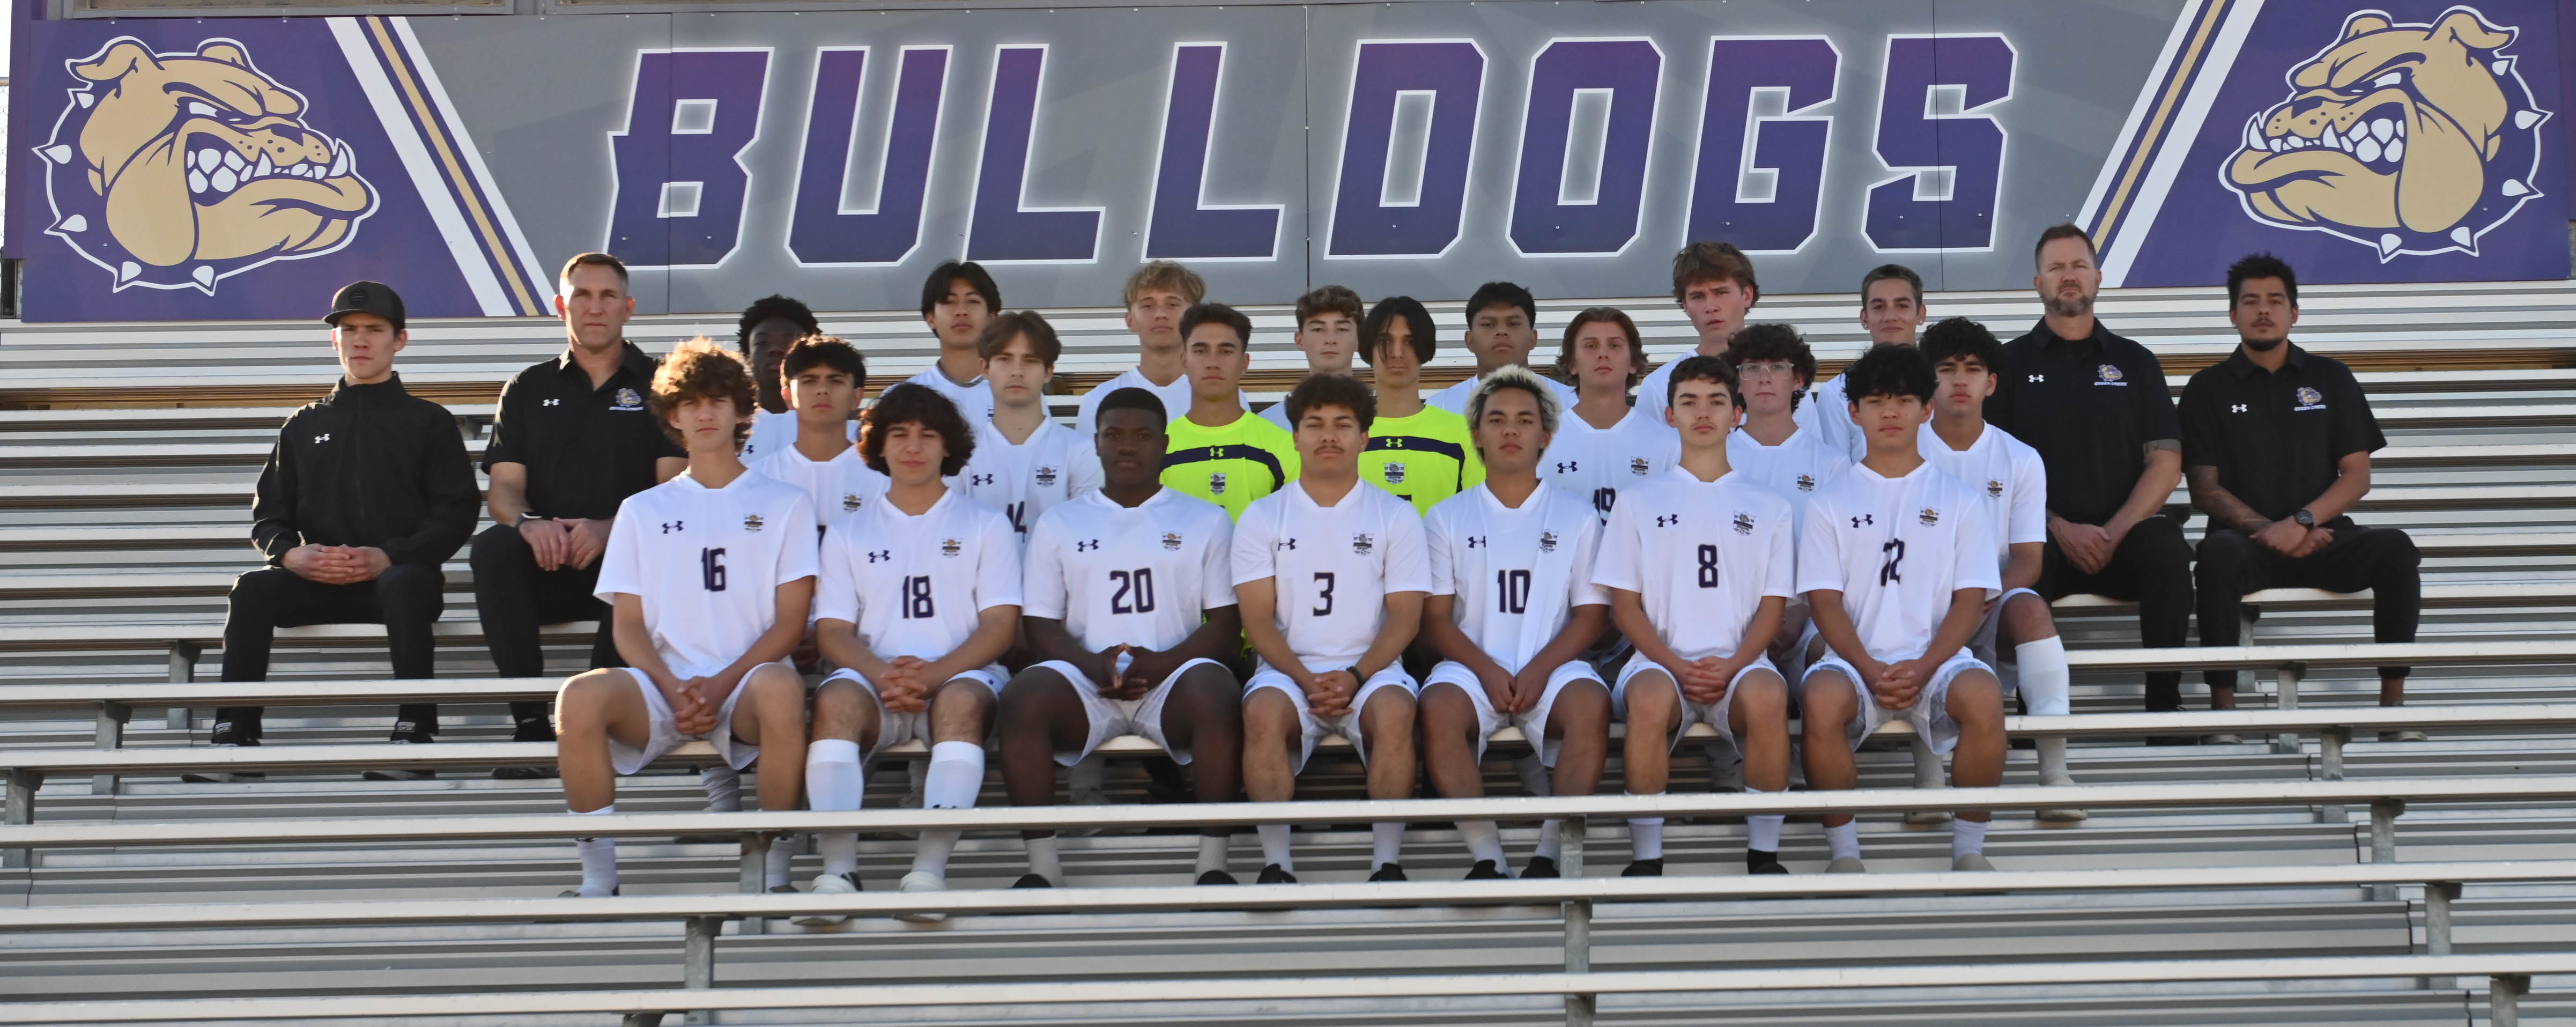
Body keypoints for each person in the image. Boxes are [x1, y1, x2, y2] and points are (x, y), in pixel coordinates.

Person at [550, 339, 817, 898]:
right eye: (691, 403)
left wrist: (720, 685)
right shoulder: (642, 509)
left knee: (781, 687)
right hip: (664, 688)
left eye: (717, 400)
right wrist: (673, 688)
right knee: (578, 697)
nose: (705, 413)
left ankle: (774, 873)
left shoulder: (785, 502)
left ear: (742, 410)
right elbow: (627, 625)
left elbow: (791, 622)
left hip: (745, 687)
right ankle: (598, 879)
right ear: (673, 415)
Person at [192, 282, 479, 784]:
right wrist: (290, 556)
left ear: (400, 340)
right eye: (348, 330)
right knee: (251, 588)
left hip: (398, 582)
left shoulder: (430, 422)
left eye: (374, 329)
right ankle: (235, 735)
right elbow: (268, 516)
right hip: (318, 584)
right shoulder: (303, 425)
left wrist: (390, 555)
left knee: (406, 582)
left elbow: (456, 514)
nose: (360, 340)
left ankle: (415, 733)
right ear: (335, 340)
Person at [997, 387, 1246, 887]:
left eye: (1143, 435)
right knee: (1022, 698)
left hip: (1172, 681)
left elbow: (1224, 623)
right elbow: (1039, 623)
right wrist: (1094, 665)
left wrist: (1162, 663)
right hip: (1088, 681)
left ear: (1165, 444)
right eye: (1114, 434)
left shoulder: (1206, 518)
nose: (1127, 445)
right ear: (1096, 442)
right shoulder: (1061, 521)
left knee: (1217, 691)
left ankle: (1213, 863)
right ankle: (1042, 869)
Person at [802, 385, 1021, 922]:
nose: (914, 447)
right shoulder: (849, 532)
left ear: (949, 446)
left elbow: (1000, 626)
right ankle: (838, 873)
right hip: (874, 678)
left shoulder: (985, 524)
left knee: (962, 701)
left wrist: (933, 674)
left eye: (928, 435)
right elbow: (832, 631)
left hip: (962, 675)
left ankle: (928, 873)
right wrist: (883, 674)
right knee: (835, 702)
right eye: (899, 434)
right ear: (879, 445)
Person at [2182, 254, 2420, 738]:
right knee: (2214, 555)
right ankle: (2223, 711)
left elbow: (2357, 476)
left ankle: (2393, 706)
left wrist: (2302, 522)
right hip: (2246, 545)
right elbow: (2204, 489)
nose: (2263, 310)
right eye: (2251, 301)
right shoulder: (2207, 388)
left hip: (2323, 538)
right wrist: (2272, 530)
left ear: (2295, 312)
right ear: (2232, 314)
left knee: (2396, 548)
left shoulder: (2331, 378)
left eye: (2275, 300)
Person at [475, 253, 686, 777]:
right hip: (551, 561)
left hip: (631, 568)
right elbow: (503, 492)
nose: (595, 307)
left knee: (646, 548)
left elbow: (675, 489)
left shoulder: (663, 385)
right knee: (493, 545)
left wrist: (614, 529)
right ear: (560, 306)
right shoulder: (527, 388)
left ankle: (593, 725)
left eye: (607, 295)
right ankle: (530, 725)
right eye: (582, 296)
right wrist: (530, 525)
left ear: (628, 307)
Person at [1798, 344, 2007, 874]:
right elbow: (1824, 602)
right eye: (1875, 401)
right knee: (1819, 698)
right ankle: (1845, 856)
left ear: (1926, 409)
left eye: (1903, 400)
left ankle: (1969, 850)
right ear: (1854, 412)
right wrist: (1869, 667)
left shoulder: (1961, 499)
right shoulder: (1828, 501)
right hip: (1855, 662)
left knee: (1984, 694)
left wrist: (1925, 664)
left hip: (1935, 659)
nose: (1889, 412)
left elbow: (1970, 600)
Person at [1594, 356, 1796, 876]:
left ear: (1737, 415)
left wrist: (1732, 665)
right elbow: (1624, 606)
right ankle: (1647, 857)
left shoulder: (1770, 504)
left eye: (1716, 402)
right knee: (1646, 697)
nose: (1702, 413)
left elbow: (1773, 607)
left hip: (1740, 662)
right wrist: (1677, 665)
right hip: (1659, 662)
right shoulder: (1638, 500)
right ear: (1670, 415)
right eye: (1689, 402)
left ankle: (1764, 854)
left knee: (1768, 695)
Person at [1986, 224, 2195, 721]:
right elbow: (1993, 466)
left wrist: (2113, 531)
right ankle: (2035, 719)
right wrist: (2059, 526)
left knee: (2168, 545)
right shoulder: (2006, 365)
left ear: (2098, 278)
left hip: (2123, 537)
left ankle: (2166, 712)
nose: (2069, 276)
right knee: (2023, 557)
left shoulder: (2136, 362)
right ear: (2037, 283)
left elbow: (2166, 462)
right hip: (2043, 536)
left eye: (2079, 266)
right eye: (2056, 267)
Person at [1233, 374, 1430, 883]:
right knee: (1261, 713)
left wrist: (1356, 676)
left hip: (1372, 671)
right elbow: (1257, 618)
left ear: (1364, 438)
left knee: (1396, 711)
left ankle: (1387, 862)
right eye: (1315, 424)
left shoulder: (1396, 514)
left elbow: (1406, 617)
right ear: (1295, 436)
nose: (1328, 435)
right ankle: (1276, 864)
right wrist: (1304, 678)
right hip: (1289, 671)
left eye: (1343, 424)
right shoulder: (1262, 516)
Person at [1417, 367, 1611, 880]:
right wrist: (1485, 669)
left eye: (1525, 420)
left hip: (1553, 664)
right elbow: (1436, 618)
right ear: (1477, 434)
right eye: (1497, 419)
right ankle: (1489, 857)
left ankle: (1550, 853)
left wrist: (1541, 668)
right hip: (1471, 666)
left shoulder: (1577, 515)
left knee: (1590, 703)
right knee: (1438, 706)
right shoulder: (1446, 516)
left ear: (1545, 436)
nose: (1510, 429)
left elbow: (1592, 614)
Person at [1918, 317, 2085, 822]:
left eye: (1972, 369)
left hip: (1992, 599)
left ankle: (2055, 775)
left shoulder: (2021, 458)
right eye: (1947, 368)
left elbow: (2029, 559)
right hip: (1919, 603)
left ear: (1991, 383)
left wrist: (1980, 595)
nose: (1960, 379)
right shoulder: (1901, 450)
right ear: (1929, 380)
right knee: (1913, 623)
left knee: (2032, 611)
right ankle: (1928, 782)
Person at [952, 311, 1101, 539]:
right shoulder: (961, 456)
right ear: (984, 368)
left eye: (1030, 361)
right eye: (1005, 359)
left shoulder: (1081, 452)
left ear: (1049, 372)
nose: (1017, 372)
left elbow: (1086, 540)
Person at [1160, 303, 1299, 520]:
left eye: (1226, 351)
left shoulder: (1284, 447)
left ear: (1245, 363)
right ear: (1184, 361)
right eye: (1200, 351)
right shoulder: (1158, 449)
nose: (1213, 363)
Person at [1541, 307, 1678, 523]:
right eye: (1591, 346)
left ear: (1633, 362)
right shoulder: (1541, 443)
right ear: (1572, 363)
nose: (1603, 354)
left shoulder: (1669, 444)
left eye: (1614, 345)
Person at [1073, 261, 1240, 437]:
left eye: (1172, 305)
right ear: (1130, 320)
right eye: (1148, 305)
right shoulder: (1098, 400)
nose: (1160, 314)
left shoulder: (1228, 398)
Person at [1356, 296, 1483, 514]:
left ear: (1425, 349)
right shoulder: (1342, 434)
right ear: (1368, 349)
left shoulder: (1465, 435)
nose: (1397, 353)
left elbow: (1478, 519)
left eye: (1410, 342)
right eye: (1385, 342)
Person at [751, 336, 885, 529]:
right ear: (788, 396)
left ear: (856, 397)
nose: (822, 390)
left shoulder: (884, 478)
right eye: (809, 381)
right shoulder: (757, 477)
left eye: (836, 381)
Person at [1801, 264, 1928, 461]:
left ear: (1921, 314)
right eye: (1879, 307)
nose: (1890, 317)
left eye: (1902, 306)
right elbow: (1834, 472)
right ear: (1864, 318)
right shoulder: (1836, 393)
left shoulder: (1943, 386)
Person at [1634, 242, 1759, 425]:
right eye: (1698, 297)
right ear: (1685, 305)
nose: (1711, 307)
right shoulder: (1659, 386)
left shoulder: (1784, 378)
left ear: (1747, 295)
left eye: (1721, 292)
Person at [1425, 282, 1577, 416]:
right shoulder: (1439, 408)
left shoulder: (1572, 404)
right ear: (1469, 340)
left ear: (1533, 338)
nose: (1502, 331)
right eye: (1488, 324)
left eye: (1514, 324)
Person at [902, 260, 1002, 424]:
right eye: (949, 302)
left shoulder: (1018, 395)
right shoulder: (904, 399)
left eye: (973, 301)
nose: (961, 312)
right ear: (931, 318)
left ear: (992, 317)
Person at [1258, 285, 1365, 431]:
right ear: (1300, 340)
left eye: (1342, 329)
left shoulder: (1382, 418)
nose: (1330, 340)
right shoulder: (1268, 424)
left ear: (1360, 340)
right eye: (1318, 329)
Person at [735, 295, 824, 461]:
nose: (776, 349)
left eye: (791, 340)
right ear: (747, 356)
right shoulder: (726, 428)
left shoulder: (837, 429)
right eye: (762, 342)